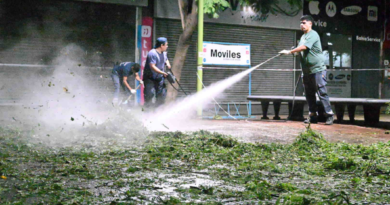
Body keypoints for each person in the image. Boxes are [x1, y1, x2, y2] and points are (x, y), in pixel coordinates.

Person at [279, 15, 334, 125]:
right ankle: (313, 116)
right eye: (300, 23)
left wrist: (290, 52)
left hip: (317, 69)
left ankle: (329, 115)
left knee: (321, 92)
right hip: (306, 71)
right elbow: (300, 51)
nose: (301, 25)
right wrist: (291, 52)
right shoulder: (303, 37)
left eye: (304, 22)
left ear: (310, 24)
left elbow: (304, 47)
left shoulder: (313, 34)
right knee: (309, 94)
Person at [143, 37, 171, 107]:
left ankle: (158, 112)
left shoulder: (164, 53)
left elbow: (166, 59)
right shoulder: (152, 53)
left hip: (159, 78)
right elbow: (152, 66)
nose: (167, 46)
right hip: (150, 78)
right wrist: (163, 73)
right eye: (166, 45)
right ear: (162, 45)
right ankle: (146, 112)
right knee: (149, 94)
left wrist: (168, 63)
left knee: (161, 96)